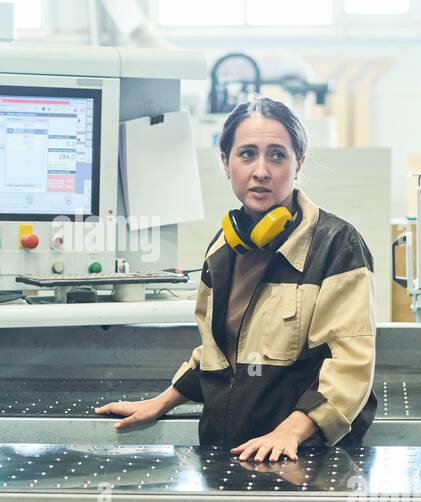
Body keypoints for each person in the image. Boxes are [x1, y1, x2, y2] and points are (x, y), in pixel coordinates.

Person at [95, 96, 378, 460]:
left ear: (299, 163)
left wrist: (290, 432)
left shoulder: (336, 246)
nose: (261, 170)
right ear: (225, 162)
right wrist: (162, 401)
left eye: (277, 155)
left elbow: (350, 366)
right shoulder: (223, 249)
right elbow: (216, 353)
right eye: (247, 154)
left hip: (302, 458)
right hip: (225, 450)